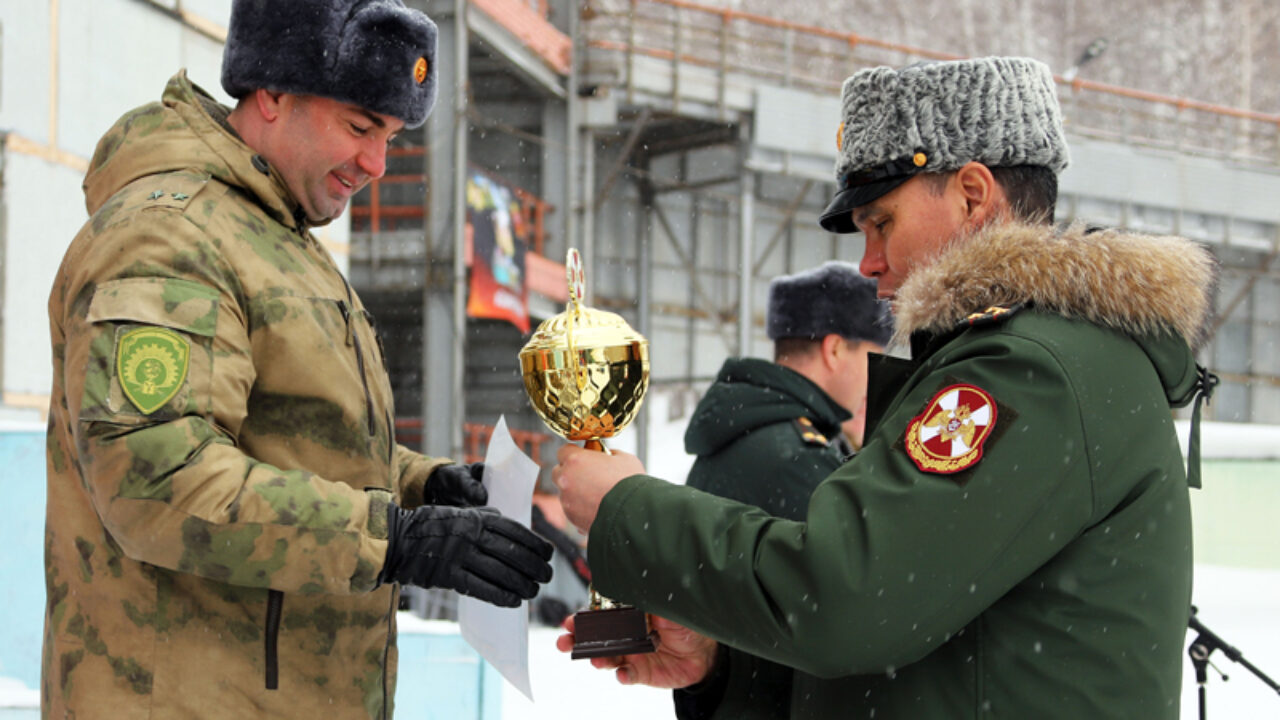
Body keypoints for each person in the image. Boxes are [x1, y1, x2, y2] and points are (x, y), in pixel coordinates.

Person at [552, 56, 1218, 718]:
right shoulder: (1037, 357)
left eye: (881, 223)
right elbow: (942, 647)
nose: (868, 264)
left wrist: (627, 511)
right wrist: (724, 664)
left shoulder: (1033, 370)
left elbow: (851, 595)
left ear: (972, 195)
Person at [43, 2, 552, 718]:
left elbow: (291, 442)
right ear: (273, 93)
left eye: (393, 137)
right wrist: (394, 537)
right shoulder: (171, 238)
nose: (376, 164)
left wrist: (421, 488)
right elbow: (156, 482)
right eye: (359, 127)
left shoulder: (279, 238)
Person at [673, 262, 889, 718]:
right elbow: (852, 601)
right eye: (876, 354)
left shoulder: (745, 429)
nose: (879, 375)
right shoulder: (796, 456)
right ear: (835, 350)